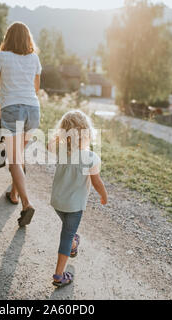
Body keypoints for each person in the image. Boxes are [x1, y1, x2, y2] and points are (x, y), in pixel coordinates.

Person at [0, 22, 42, 227]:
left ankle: (26, 204)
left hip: (12, 110)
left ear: (7, 38)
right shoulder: (34, 58)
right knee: (19, 156)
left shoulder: (1, 56)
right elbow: (36, 88)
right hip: (33, 111)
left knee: (14, 161)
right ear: (28, 39)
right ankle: (13, 194)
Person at [47, 110, 108, 287]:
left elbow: (51, 144)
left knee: (68, 231)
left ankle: (73, 243)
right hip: (74, 206)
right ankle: (59, 275)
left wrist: (61, 136)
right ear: (88, 133)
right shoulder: (91, 158)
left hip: (58, 202)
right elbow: (97, 183)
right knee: (66, 234)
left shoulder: (60, 150)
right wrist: (104, 195)